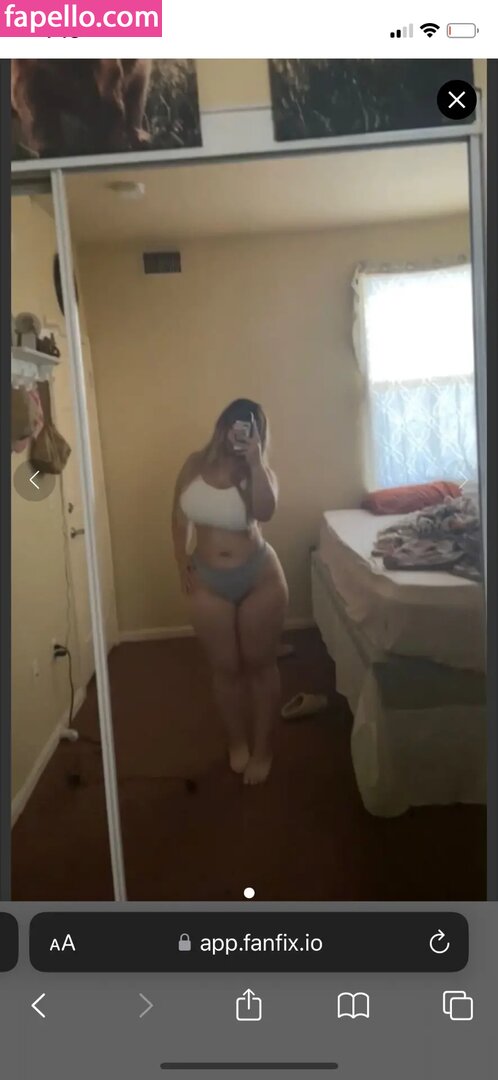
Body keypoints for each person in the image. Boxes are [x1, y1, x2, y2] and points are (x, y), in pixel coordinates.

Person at [172, 399, 288, 784]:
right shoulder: (193, 464)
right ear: (221, 425)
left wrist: (254, 464)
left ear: (257, 434)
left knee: (260, 665)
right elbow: (177, 516)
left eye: (247, 428)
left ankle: (263, 749)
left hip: (259, 578)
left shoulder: (260, 473)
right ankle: (237, 742)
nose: (236, 433)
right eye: (232, 424)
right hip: (207, 581)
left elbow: (266, 512)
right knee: (225, 668)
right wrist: (180, 561)